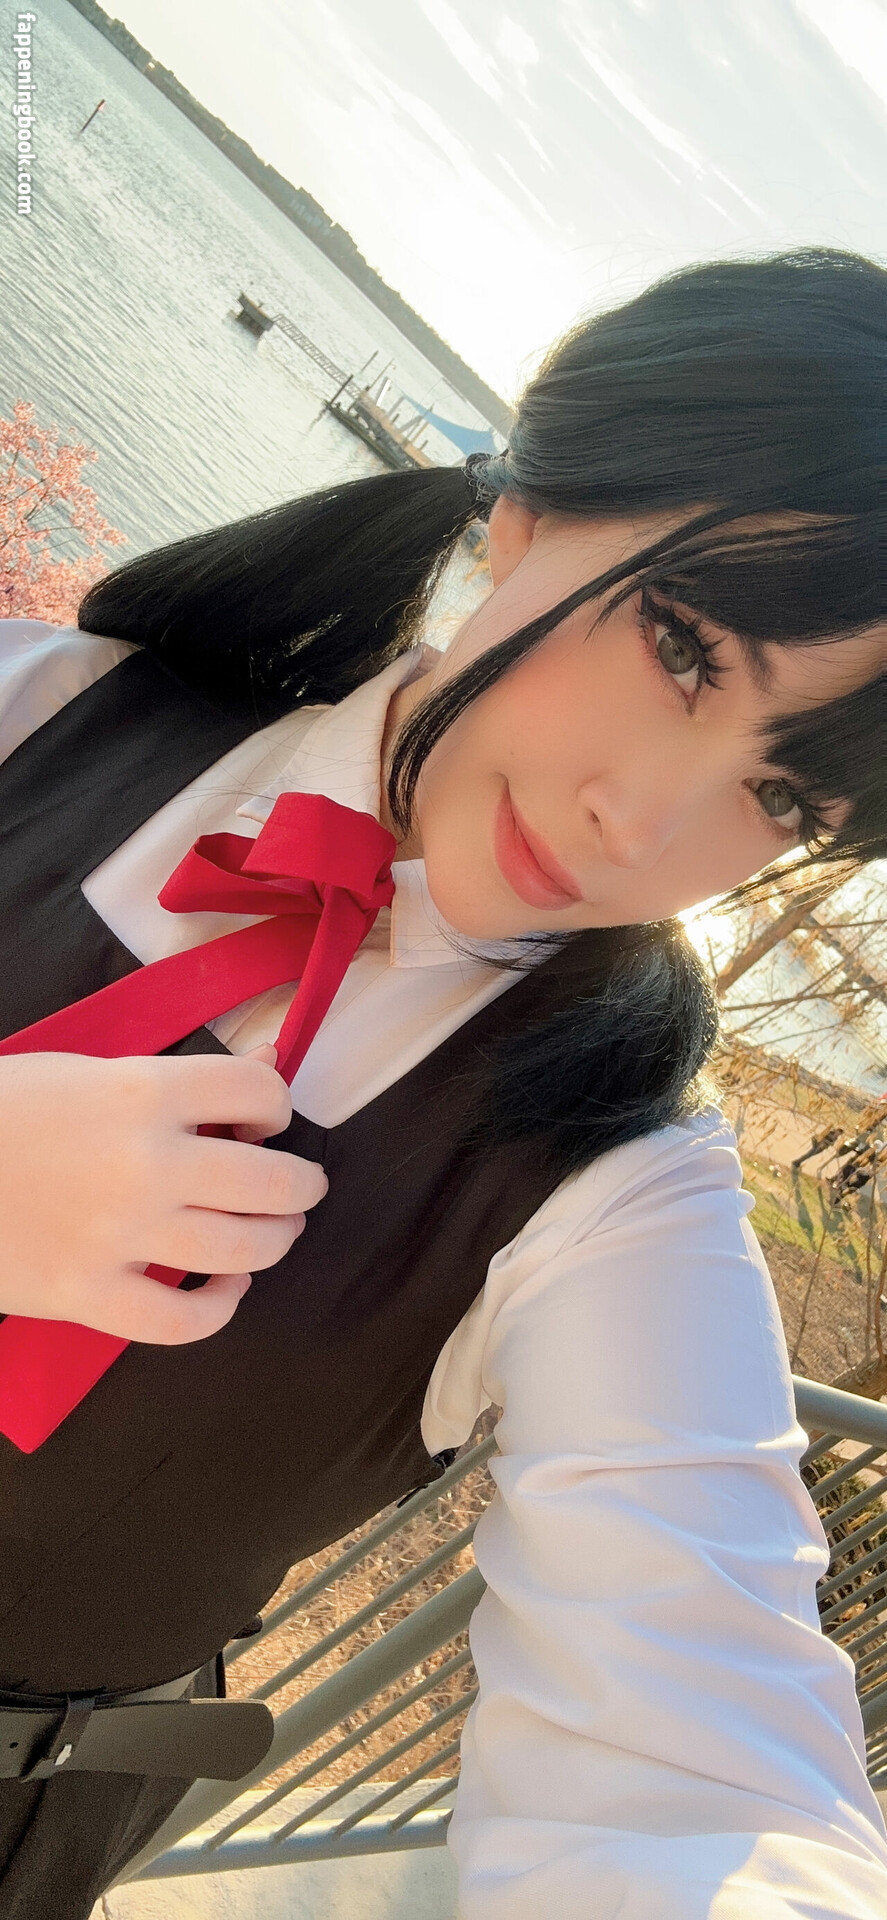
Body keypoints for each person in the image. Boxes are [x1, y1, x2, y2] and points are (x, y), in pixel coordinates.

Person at [1, 247, 886, 1919]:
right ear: (529, 518)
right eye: (688, 648)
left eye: (786, 800)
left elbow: (698, 1752)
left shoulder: (619, 1189)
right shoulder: (39, 710)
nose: (648, 822)